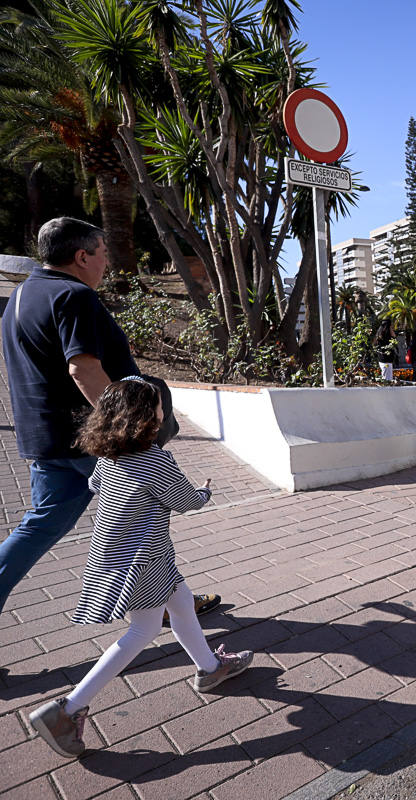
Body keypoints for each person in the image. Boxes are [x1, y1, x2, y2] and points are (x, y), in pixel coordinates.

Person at [0, 217, 218, 622]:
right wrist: (126, 434)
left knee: (40, 528)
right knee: (147, 517)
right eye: (102, 254)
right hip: (91, 438)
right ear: (81, 256)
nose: (107, 264)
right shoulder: (74, 295)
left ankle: (169, 601)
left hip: (45, 437)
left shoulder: (21, 296)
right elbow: (83, 369)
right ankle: (163, 603)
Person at [27, 378, 253, 758]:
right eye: (158, 405)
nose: (163, 411)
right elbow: (185, 501)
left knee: (181, 600)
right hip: (143, 559)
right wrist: (205, 492)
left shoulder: (108, 454)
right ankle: (66, 711)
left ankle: (210, 668)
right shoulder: (155, 458)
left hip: (118, 552)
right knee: (144, 628)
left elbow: (98, 486)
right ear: (148, 416)